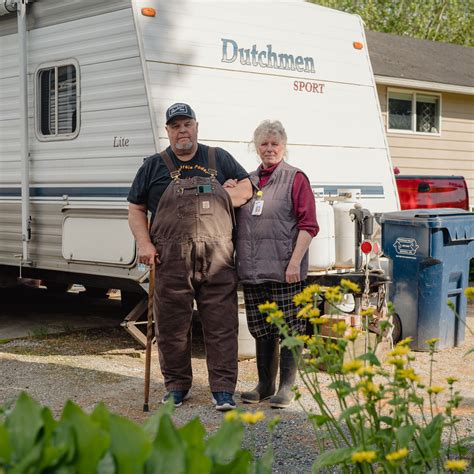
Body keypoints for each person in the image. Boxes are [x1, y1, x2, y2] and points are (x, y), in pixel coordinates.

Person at [127, 103, 252, 411]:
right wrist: (144, 243)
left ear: (196, 126)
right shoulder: (153, 166)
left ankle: (223, 390)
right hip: (170, 258)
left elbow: (248, 188)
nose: (182, 130)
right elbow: (135, 209)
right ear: (168, 131)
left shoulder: (218, 158)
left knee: (222, 325)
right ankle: (177, 387)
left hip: (218, 255)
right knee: (171, 326)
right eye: (175, 126)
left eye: (187, 124)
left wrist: (226, 195)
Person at [231, 120, 318, 409]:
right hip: (254, 271)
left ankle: (286, 387)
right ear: (257, 148)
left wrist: (295, 262)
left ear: (284, 146)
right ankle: (265, 384)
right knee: (261, 329)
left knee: (290, 328)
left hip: (285, 271)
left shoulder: (296, 178)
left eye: (275, 144)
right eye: (264, 144)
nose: (269, 149)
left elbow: (308, 225)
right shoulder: (249, 180)